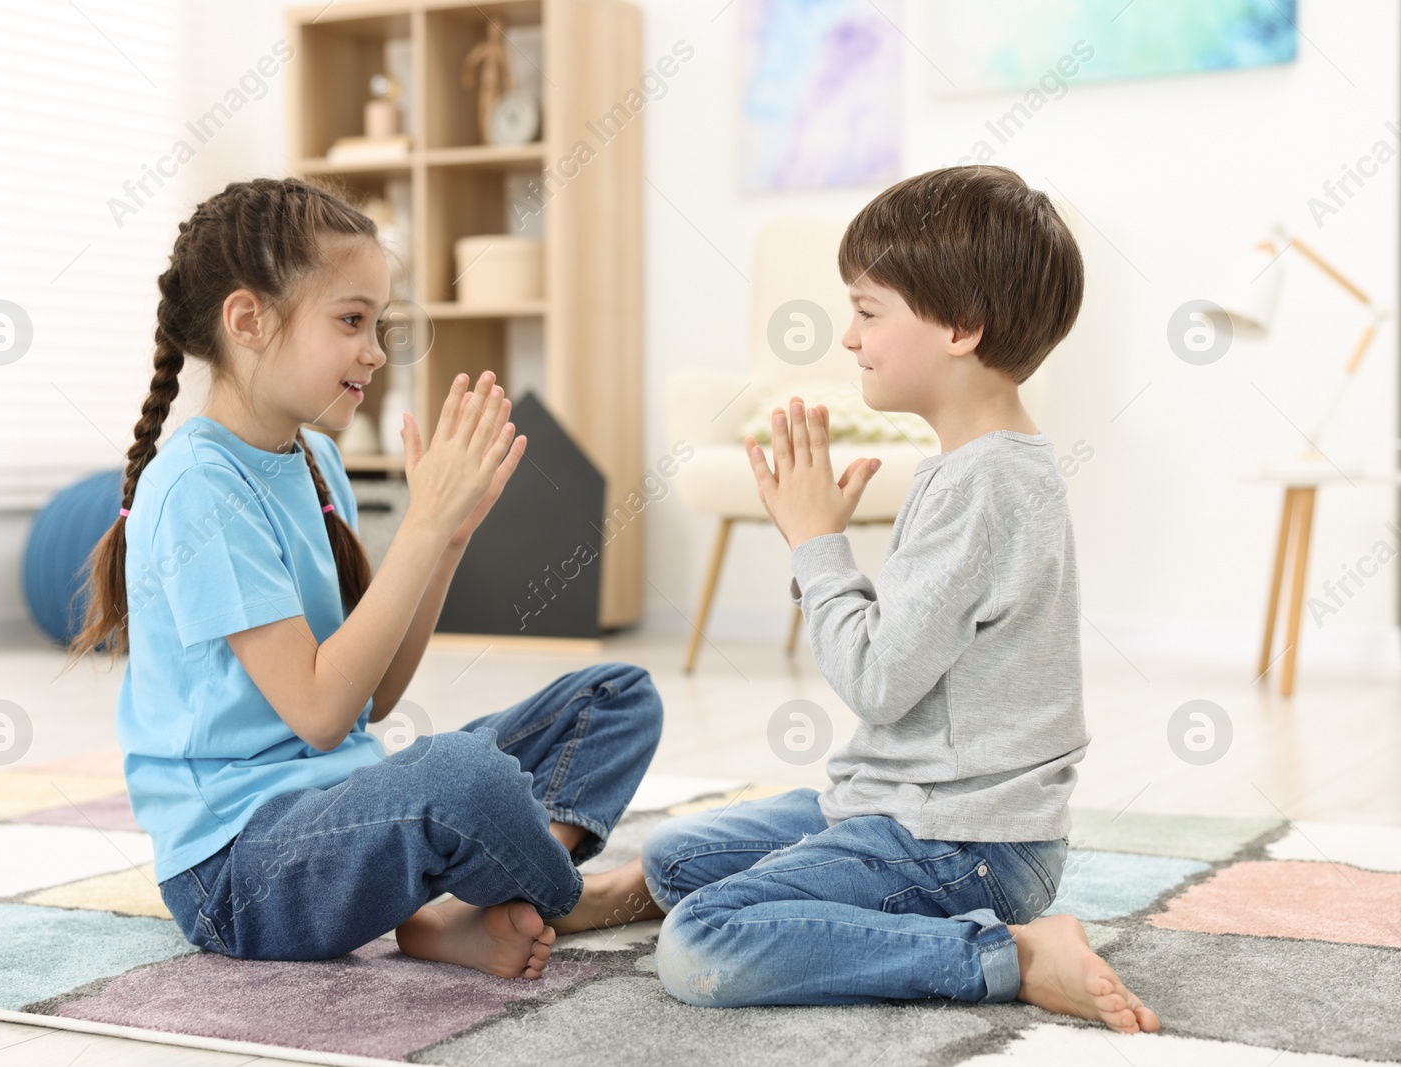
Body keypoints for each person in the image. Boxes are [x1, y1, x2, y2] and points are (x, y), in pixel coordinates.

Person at [65, 176, 662, 980]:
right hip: (239, 871)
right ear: (248, 320)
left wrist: (444, 541)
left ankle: (470, 906)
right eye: (351, 320)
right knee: (460, 777)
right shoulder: (197, 487)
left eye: (378, 323)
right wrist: (418, 530)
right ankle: (562, 893)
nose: (377, 350)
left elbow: (372, 700)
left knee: (616, 697)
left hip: (341, 803)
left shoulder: (318, 465)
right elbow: (319, 712)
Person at [635, 165, 1161, 1033]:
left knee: (703, 938)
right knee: (674, 855)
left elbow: (877, 682)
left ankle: (1009, 955)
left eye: (869, 310)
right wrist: (823, 545)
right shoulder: (977, 465)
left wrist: (816, 545)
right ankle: (609, 892)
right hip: (909, 809)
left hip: (965, 847)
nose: (848, 337)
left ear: (961, 326)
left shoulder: (981, 486)